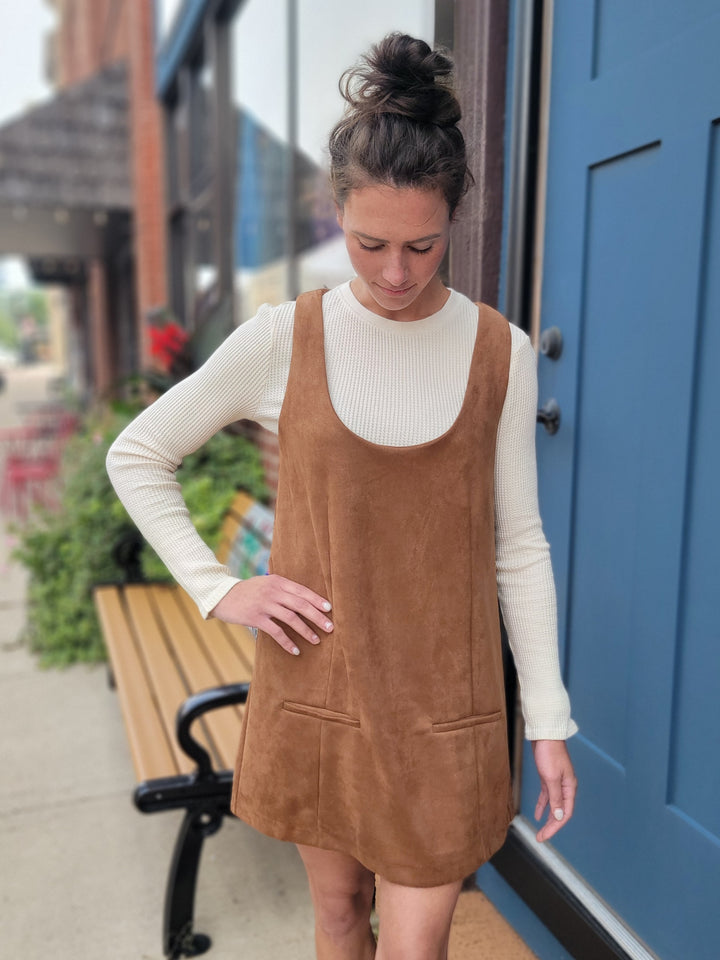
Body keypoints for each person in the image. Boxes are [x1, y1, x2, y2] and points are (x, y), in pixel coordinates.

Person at [108, 32, 577, 960]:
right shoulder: (287, 337)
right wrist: (218, 587)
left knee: (414, 947)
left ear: (455, 218)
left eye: (422, 245)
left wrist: (551, 720)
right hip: (321, 688)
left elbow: (517, 545)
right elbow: (139, 452)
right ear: (337, 215)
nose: (396, 274)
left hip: (448, 707)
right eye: (370, 244)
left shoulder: (501, 354)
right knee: (333, 918)